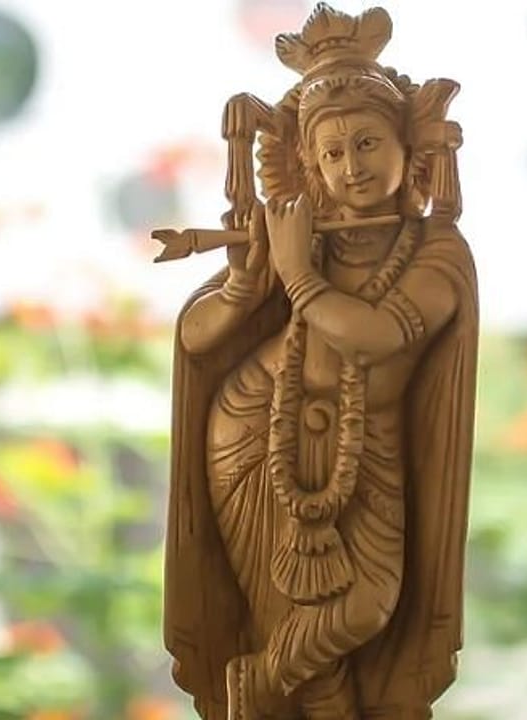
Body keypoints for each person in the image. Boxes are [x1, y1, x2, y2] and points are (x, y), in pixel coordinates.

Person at [163, 5, 478, 718]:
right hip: (256, 427)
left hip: (368, 447)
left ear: (408, 148)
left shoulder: (436, 253)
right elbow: (199, 340)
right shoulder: (300, 231)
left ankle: (259, 685)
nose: (351, 168)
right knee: (287, 622)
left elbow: (375, 337)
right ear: (309, 163)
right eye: (331, 154)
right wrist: (244, 282)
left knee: (367, 607)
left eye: (367, 143)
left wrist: (299, 275)